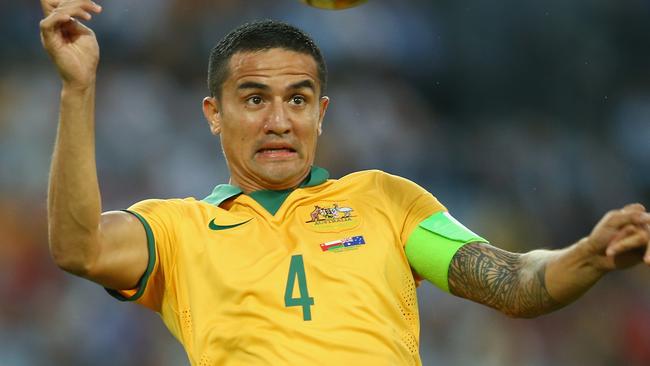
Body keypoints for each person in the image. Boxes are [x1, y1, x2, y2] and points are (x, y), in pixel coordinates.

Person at [39, 1, 650, 365]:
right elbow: (79, 246)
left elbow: (514, 282)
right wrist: (78, 89)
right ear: (213, 114)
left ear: (321, 112)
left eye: (297, 99)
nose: (279, 120)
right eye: (254, 99)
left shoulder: (386, 201)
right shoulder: (177, 230)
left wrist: (588, 255)